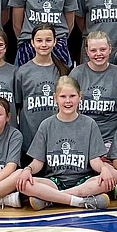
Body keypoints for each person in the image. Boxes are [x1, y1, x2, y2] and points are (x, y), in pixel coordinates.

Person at [16, 76, 116, 210]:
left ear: (80, 97)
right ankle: (79, 201)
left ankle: (51, 199)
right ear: (55, 98)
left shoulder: (89, 124)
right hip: (54, 182)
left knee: (105, 182)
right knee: (23, 183)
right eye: (63, 96)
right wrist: (27, 170)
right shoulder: (46, 125)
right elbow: (38, 163)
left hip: (83, 181)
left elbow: (95, 161)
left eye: (72, 96)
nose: (68, 101)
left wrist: (104, 169)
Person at [14, 24, 70, 155]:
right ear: (32, 43)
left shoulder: (63, 70)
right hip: (30, 137)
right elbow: (18, 104)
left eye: (48, 40)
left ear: (55, 41)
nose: (44, 44)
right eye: (39, 40)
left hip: (57, 136)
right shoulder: (22, 72)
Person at [71, 31, 117, 147]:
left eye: (103, 49)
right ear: (87, 51)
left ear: (110, 49)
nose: (98, 54)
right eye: (93, 50)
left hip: (110, 140)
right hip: (81, 138)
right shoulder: (76, 74)